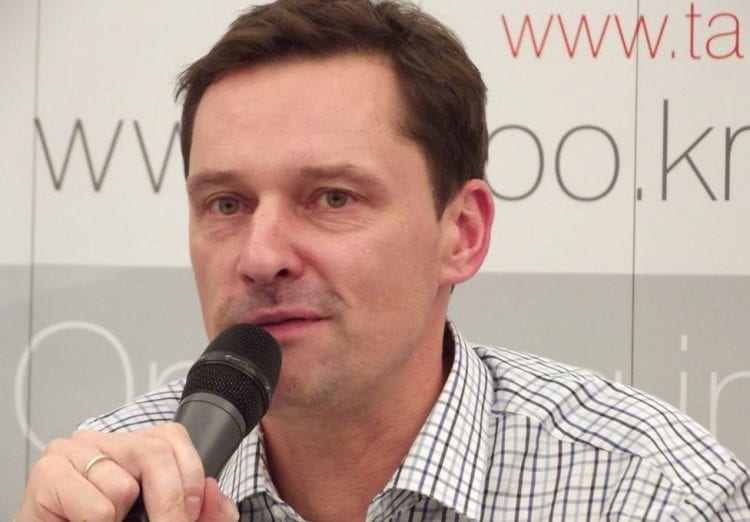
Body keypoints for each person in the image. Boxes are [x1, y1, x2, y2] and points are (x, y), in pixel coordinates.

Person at [17, 0, 750, 520]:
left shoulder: (652, 494)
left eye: (332, 197)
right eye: (227, 203)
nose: (261, 256)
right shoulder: (116, 489)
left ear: (461, 233)